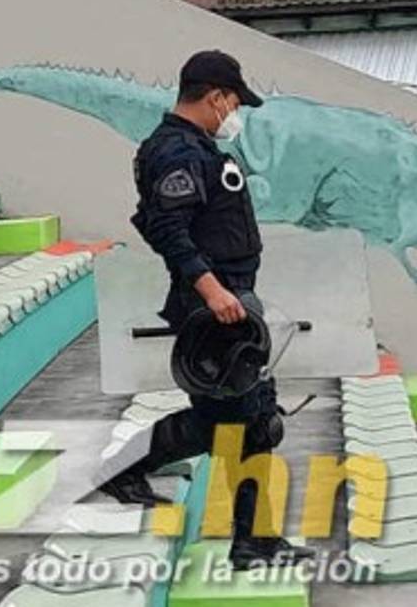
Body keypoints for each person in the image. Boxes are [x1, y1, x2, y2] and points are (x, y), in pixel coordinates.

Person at [100, 49, 312, 570]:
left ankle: (129, 471)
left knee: (232, 420)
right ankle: (251, 542)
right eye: (233, 102)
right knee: (249, 420)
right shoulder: (178, 152)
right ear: (215, 97)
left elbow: (155, 222)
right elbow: (168, 230)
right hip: (212, 307)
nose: (234, 114)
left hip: (226, 298)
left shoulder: (187, 146)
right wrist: (212, 290)